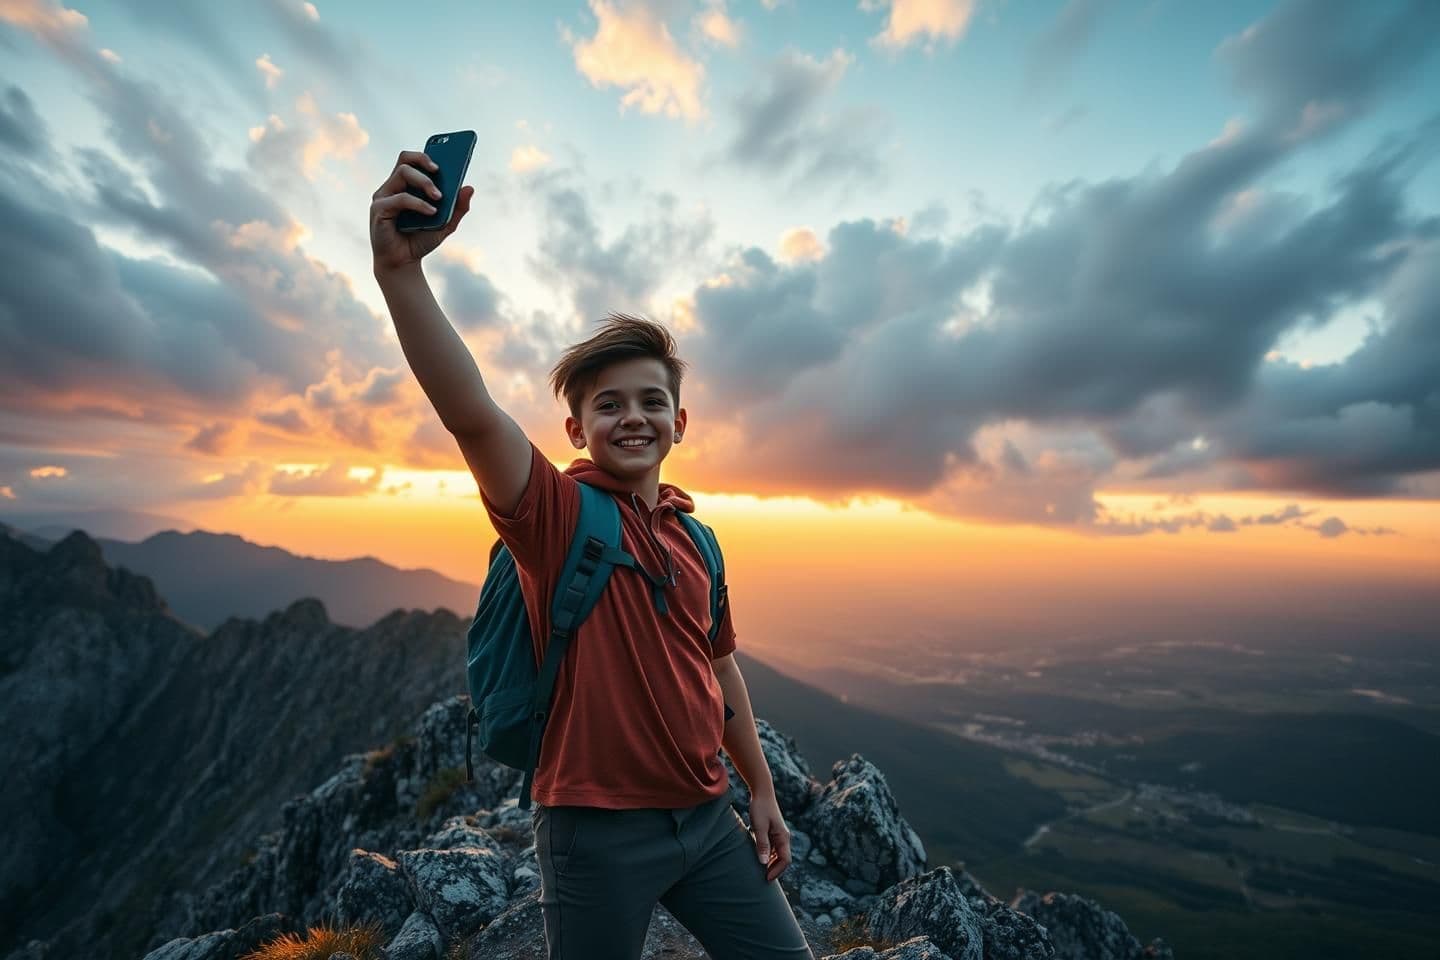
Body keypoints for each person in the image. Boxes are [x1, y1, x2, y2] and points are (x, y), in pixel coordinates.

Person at [370, 149, 814, 960]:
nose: (633, 417)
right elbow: (471, 413)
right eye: (609, 405)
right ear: (577, 430)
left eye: (653, 401)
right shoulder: (556, 517)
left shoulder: (697, 539)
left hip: (708, 819)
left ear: (681, 422)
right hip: (594, 834)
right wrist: (400, 274)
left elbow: (719, 669)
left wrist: (761, 789)